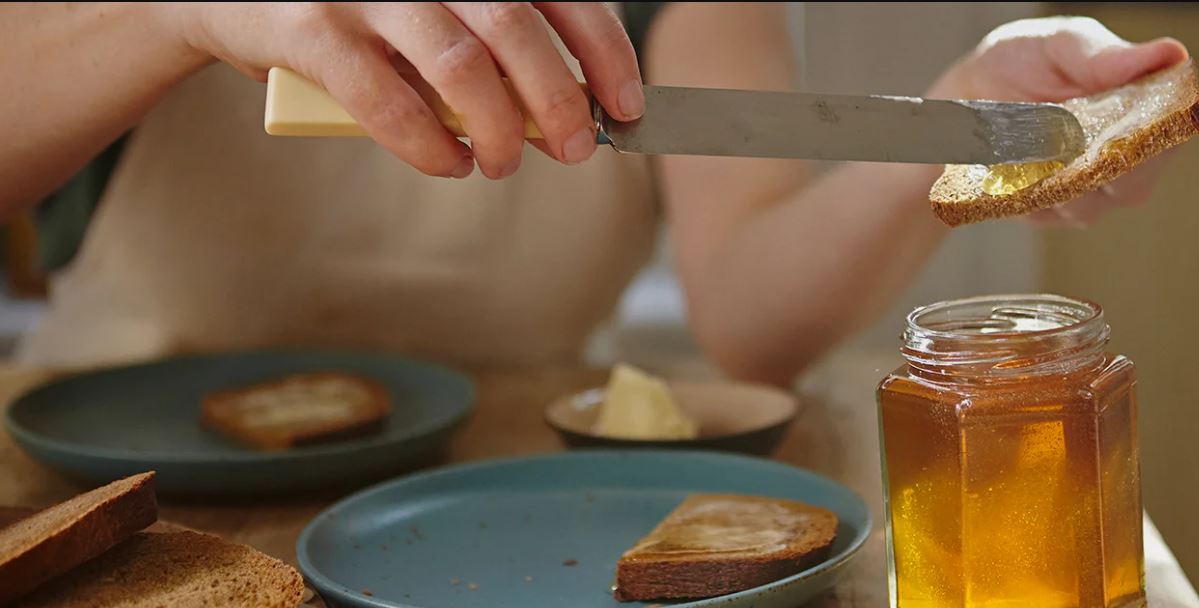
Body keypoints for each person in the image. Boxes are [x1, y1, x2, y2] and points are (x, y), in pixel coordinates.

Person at [0, 4, 1187, 385]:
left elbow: (751, 318)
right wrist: (173, 13)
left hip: (525, 512)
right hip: (106, 504)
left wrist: (965, 124)